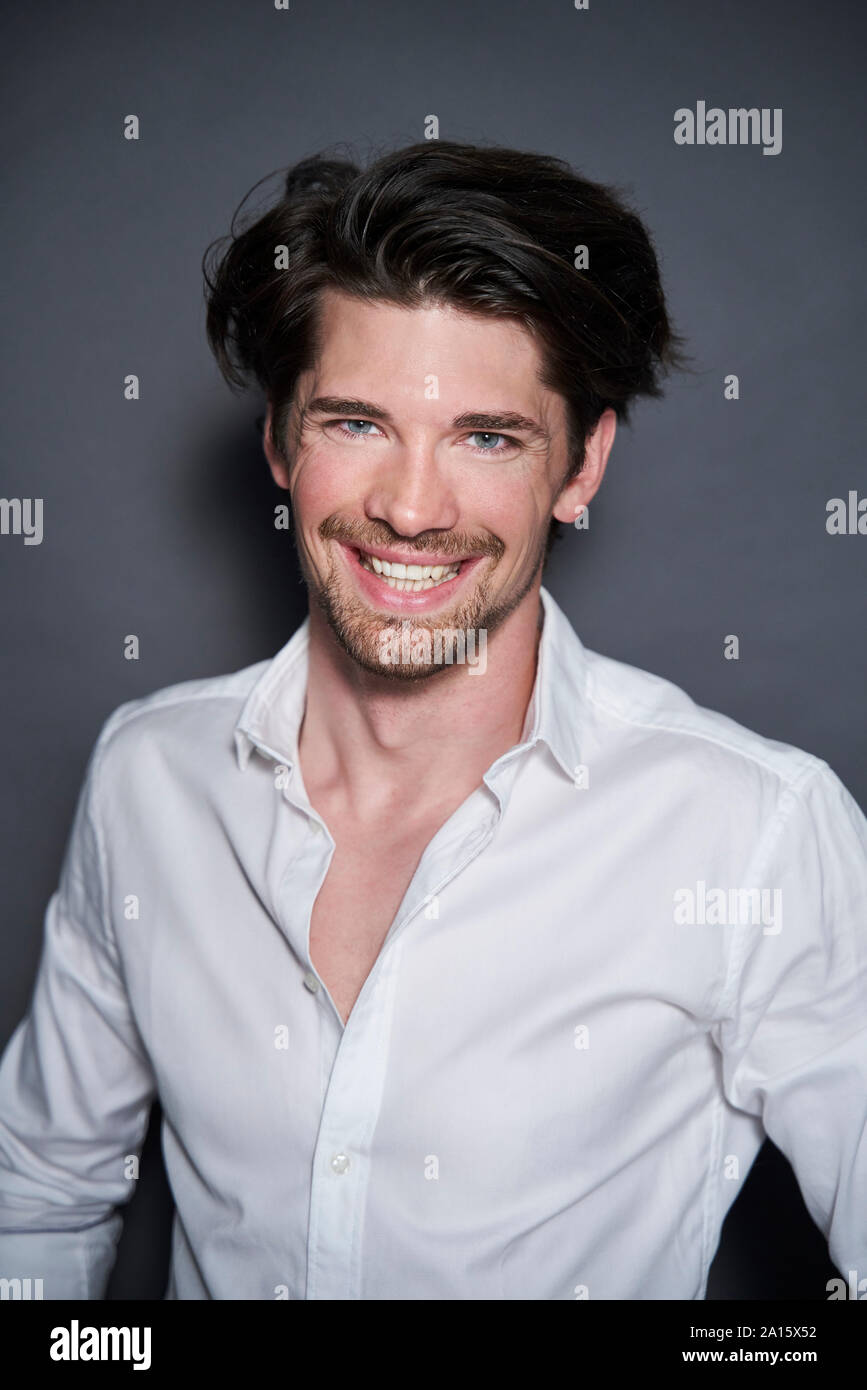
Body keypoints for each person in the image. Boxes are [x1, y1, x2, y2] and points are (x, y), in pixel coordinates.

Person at [0, 140, 864, 1301]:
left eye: (487, 437)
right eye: (355, 423)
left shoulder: (754, 828)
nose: (411, 508)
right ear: (278, 440)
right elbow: (38, 1198)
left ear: (582, 466)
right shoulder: (149, 777)